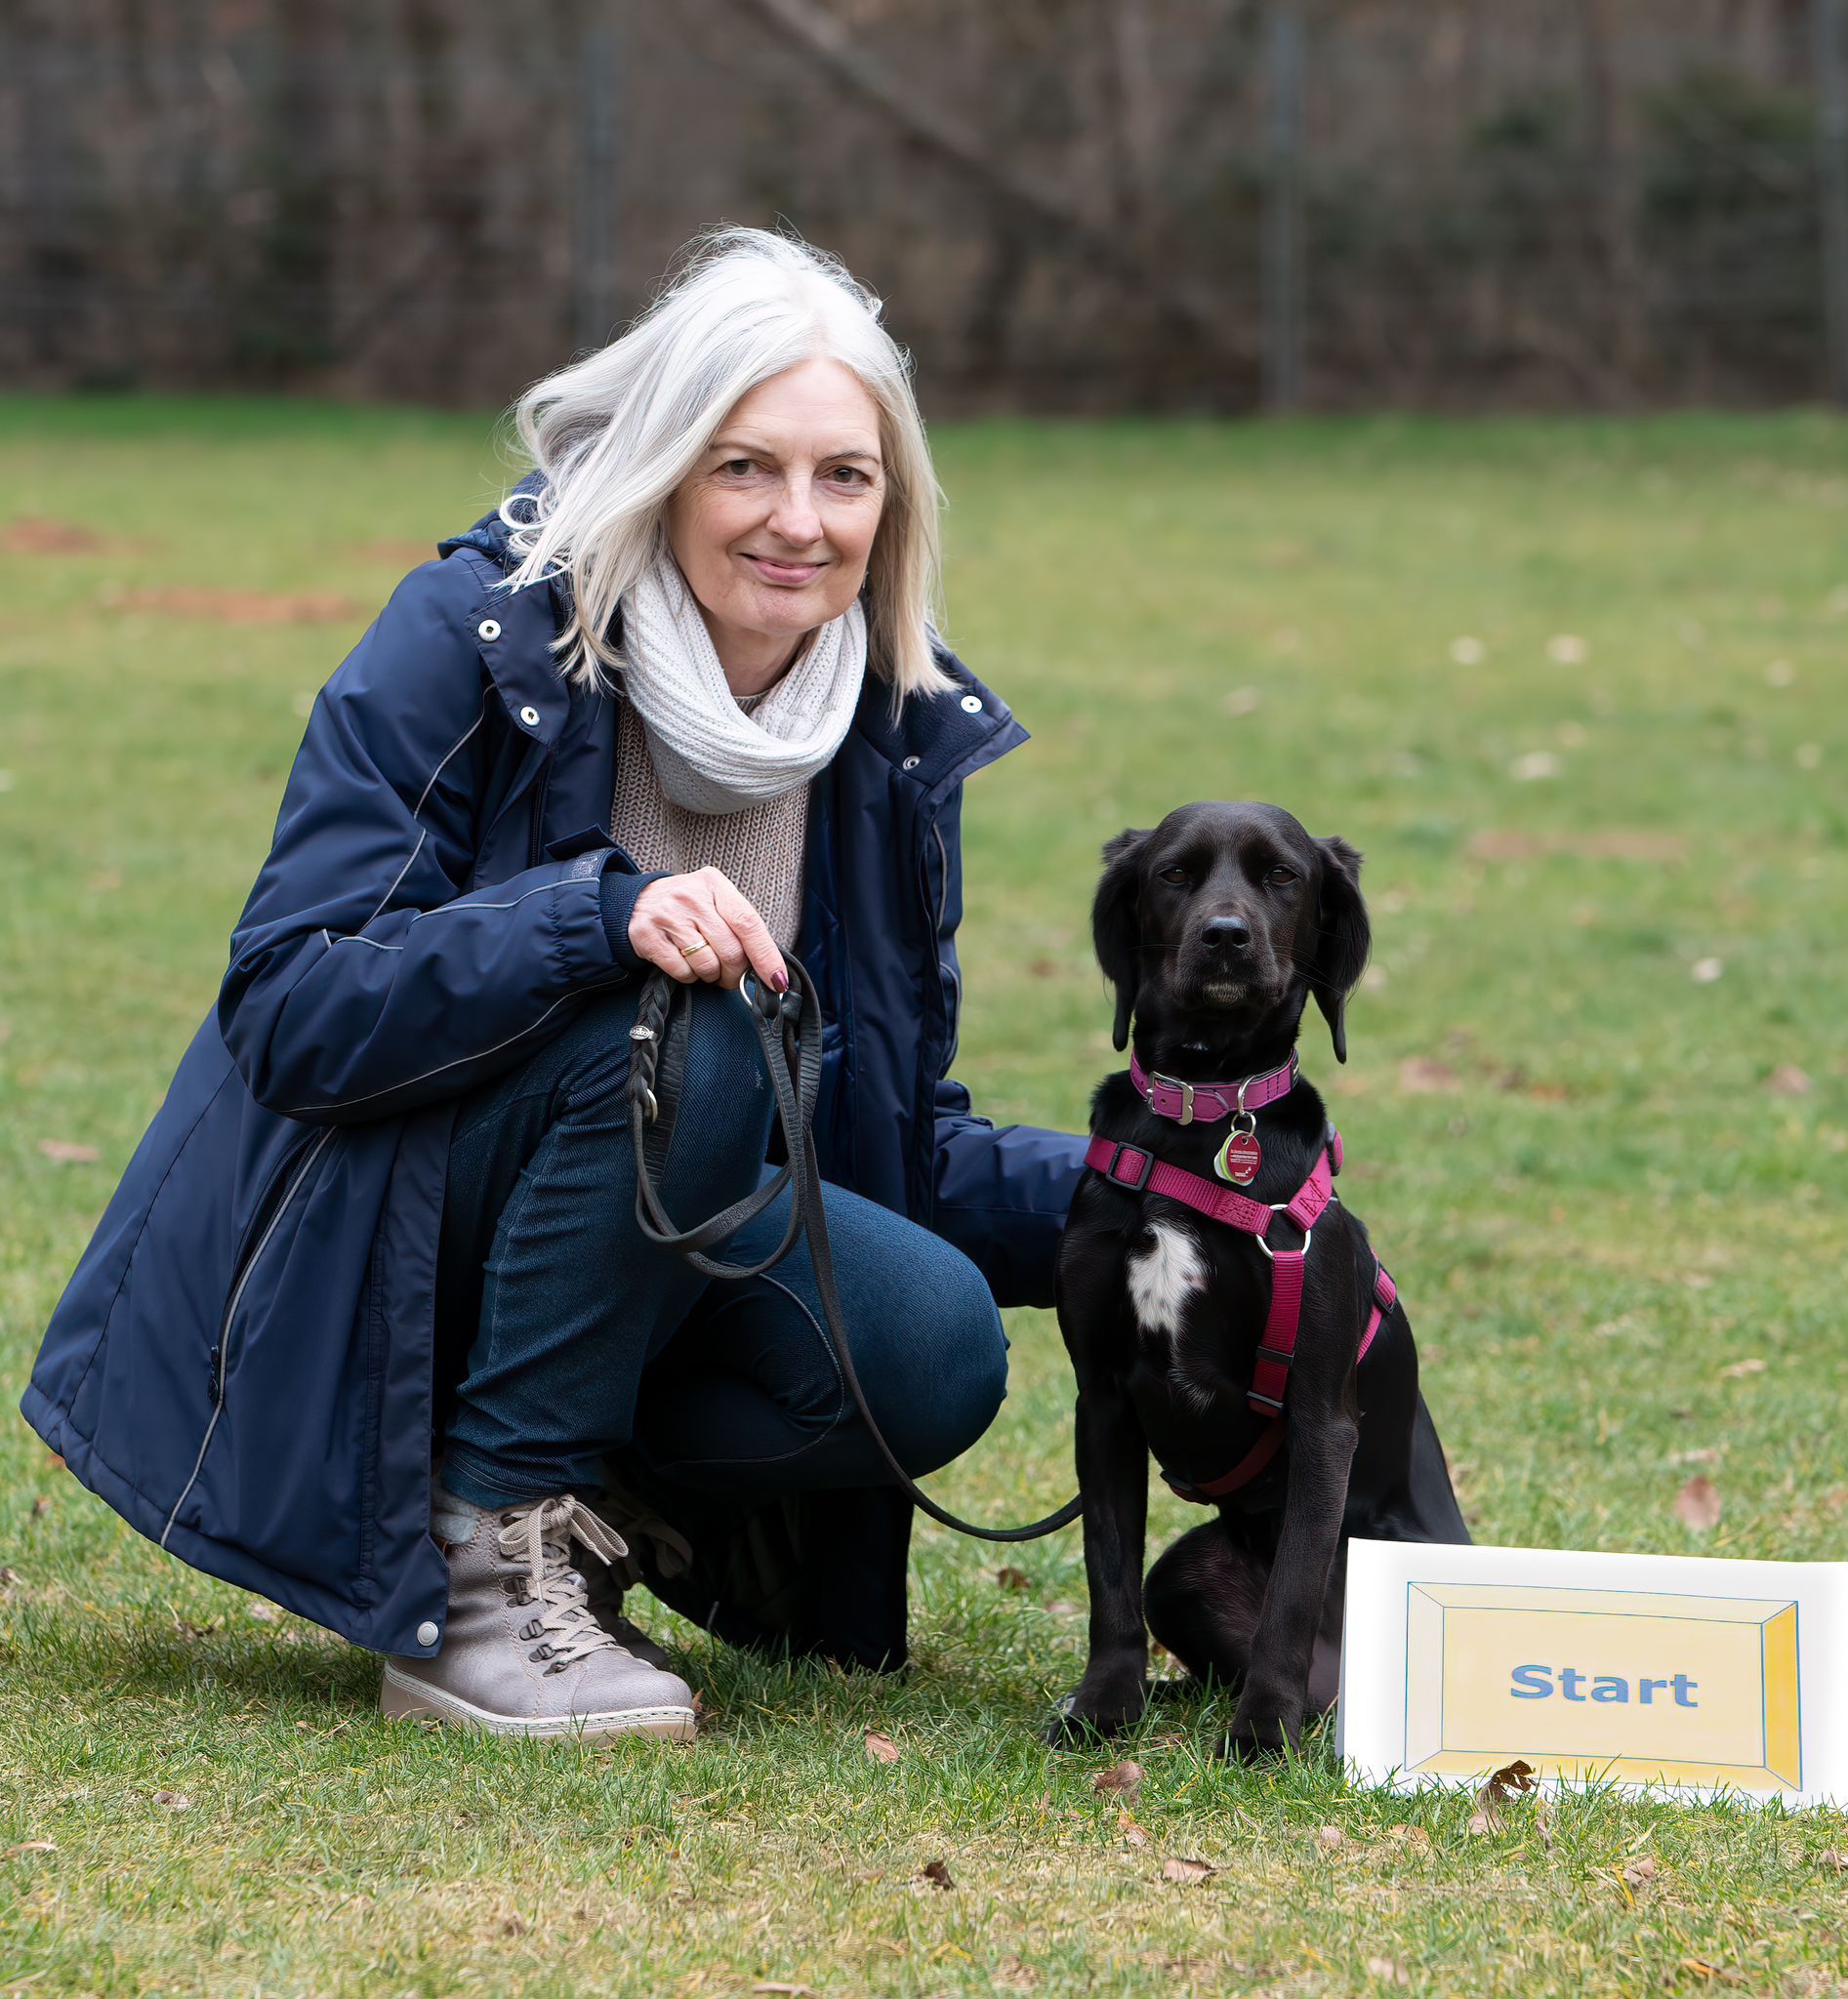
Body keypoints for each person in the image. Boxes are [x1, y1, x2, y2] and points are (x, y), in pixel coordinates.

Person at [22, 229, 1083, 1739]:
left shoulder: (880, 728)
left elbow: (880, 1134)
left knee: (930, 1344)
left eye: (845, 476)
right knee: (691, 1029)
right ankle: (483, 1573)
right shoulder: (474, 632)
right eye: (744, 468)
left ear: (893, 502)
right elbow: (291, 1005)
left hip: (629, 1219)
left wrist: (1152, 1194)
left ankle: (581, 1505)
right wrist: (599, 919)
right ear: (660, 465)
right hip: (368, 1234)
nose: (798, 520)